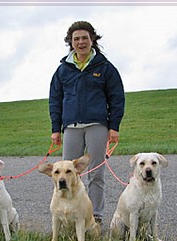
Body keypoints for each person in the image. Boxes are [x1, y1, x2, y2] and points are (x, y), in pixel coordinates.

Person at [48, 21, 125, 225]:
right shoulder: (63, 70)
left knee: (96, 174)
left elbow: (116, 98)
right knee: (65, 174)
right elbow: (55, 100)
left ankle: (95, 217)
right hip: (71, 127)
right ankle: (68, 217)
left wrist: (114, 127)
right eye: (76, 39)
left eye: (84, 38)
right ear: (70, 43)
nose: (81, 42)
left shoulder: (106, 68)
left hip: (97, 126)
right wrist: (56, 129)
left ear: (92, 40)